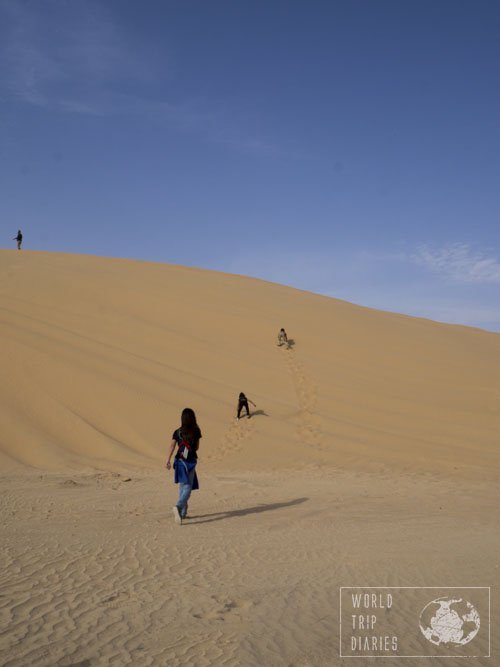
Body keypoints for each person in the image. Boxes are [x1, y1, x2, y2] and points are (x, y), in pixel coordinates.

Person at [165, 407, 202, 525]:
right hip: (190, 461)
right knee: (187, 487)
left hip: (179, 461)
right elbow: (197, 447)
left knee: (182, 486)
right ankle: (179, 506)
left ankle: (182, 513)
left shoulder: (177, 432)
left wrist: (167, 460)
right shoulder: (196, 431)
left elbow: (171, 446)